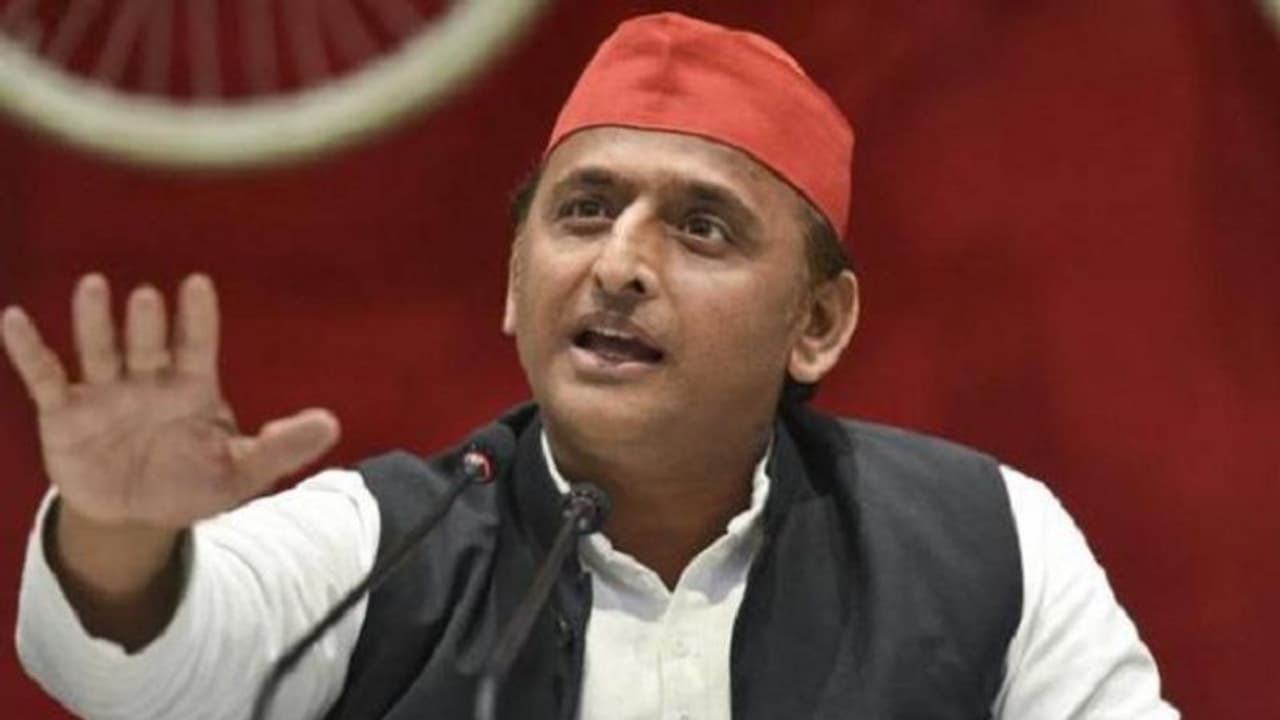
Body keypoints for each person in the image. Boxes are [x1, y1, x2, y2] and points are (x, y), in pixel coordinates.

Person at [5, 12, 1178, 720]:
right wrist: (119, 531)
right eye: (582, 211)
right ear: (513, 283)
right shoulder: (391, 543)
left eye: (700, 228)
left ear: (816, 322)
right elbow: (133, 677)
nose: (618, 265)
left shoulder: (981, 539)